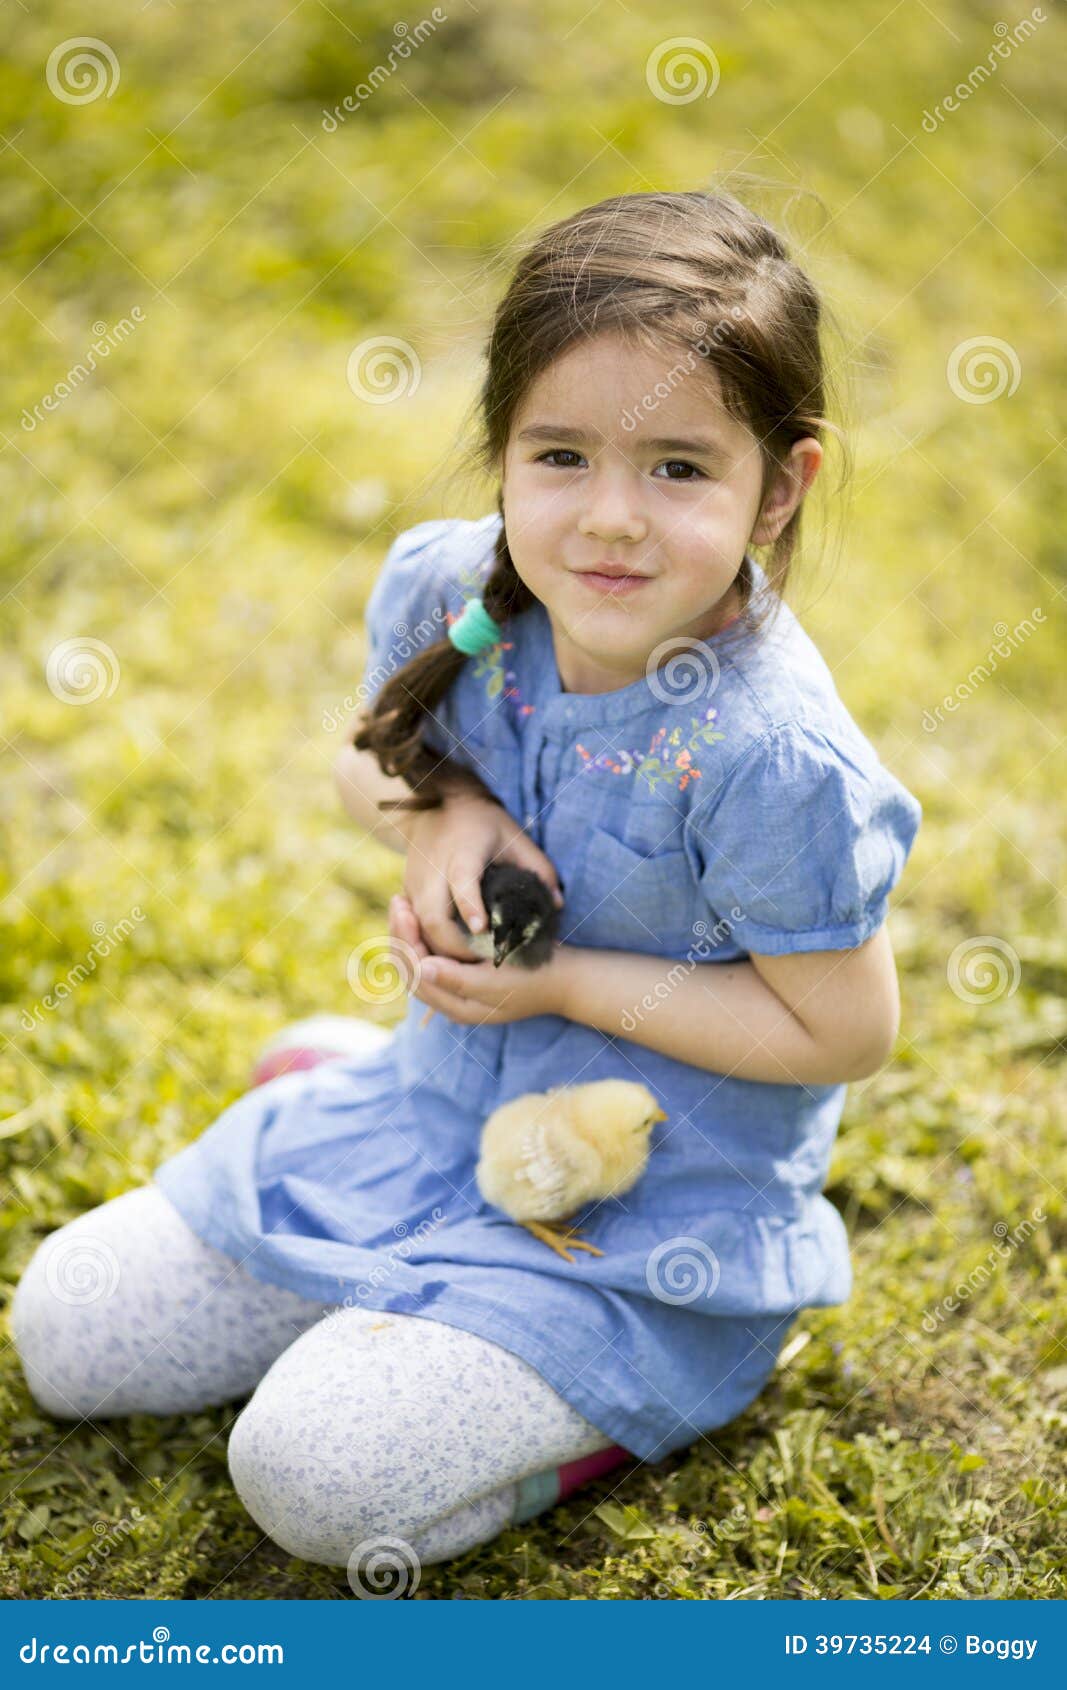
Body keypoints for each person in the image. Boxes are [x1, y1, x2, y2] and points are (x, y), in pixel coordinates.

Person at [10, 187, 922, 1578]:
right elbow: (363, 759)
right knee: (66, 1330)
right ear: (501, 449)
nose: (611, 520)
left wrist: (561, 983)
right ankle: (341, 1093)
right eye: (561, 454)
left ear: (781, 483)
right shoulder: (458, 592)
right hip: (427, 1116)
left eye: (680, 468)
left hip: (639, 1227)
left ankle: (646, 1390)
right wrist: (444, 816)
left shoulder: (770, 755)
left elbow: (843, 1031)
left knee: (307, 1473)